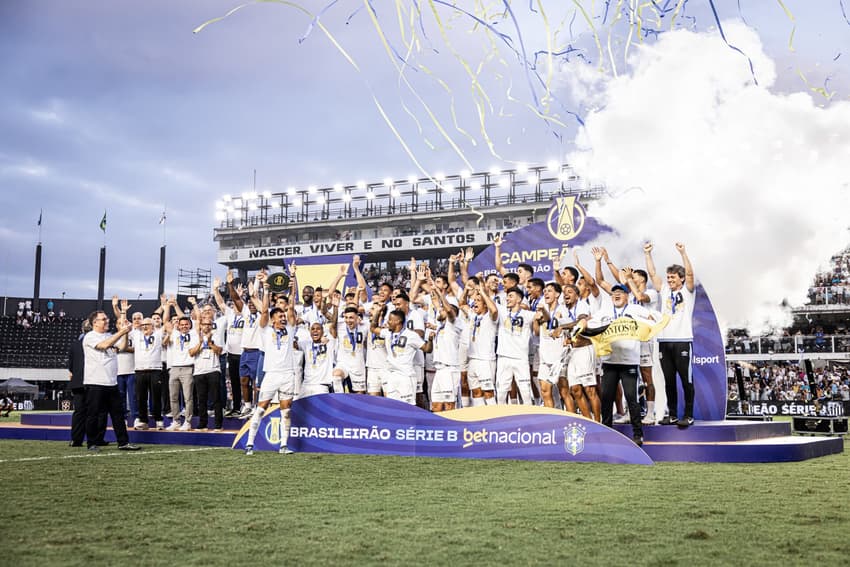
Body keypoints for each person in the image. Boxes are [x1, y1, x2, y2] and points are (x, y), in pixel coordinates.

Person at [245, 271, 298, 455]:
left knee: (286, 411)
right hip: (272, 374)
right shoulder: (265, 330)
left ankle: (283, 445)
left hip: (288, 374)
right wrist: (266, 291)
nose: (283, 318)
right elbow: (265, 311)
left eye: (284, 316)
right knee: (261, 409)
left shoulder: (290, 330)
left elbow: (291, 306)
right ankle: (250, 443)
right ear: (273, 319)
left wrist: (292, 282)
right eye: (280, 316)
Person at [645, 242, 697, 427]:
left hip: (682, 340)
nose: (670, 280)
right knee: (669, 381)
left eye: (673, 277)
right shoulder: (665, 290)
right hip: (664, 341)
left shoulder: (688, 291)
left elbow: (690, 274)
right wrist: (648, 254)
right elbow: (652, 274)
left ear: (681, 278)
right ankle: (673, 414)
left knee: (686, 380)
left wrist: (683, 253)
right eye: (668, 277)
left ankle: (689, 415)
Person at [599, 284, 655, 446]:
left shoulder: (636, 310)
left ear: (627, 296)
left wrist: (640, 327)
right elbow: (591, 323)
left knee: (632, 398)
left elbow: (651, 320)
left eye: (620, 293)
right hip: (609, 361)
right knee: (606, 398)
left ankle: (638, 435)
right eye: (614, 293)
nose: (616, 295)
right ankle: (606, 432)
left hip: (629, 361)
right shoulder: (605, 312)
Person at [83, 311, 141, 451]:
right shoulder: (90, 336)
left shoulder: (109, 336)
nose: (107, 321)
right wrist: (121, 332)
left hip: (111, 382)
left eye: (107, 318)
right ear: (94, 322)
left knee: (118, 415)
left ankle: (123, 442)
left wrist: (126, 332)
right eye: (103, 319)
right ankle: (92, 443)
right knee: (93, 415)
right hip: (95, 382)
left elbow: (121, 347)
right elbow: (103, 345)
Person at [189, 315, 225, 430]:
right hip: (199, 371)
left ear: (212, 325)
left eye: (209, 324)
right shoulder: (195, 337)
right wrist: (200, 343)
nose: (207, 327)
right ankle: (202, 423)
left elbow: (219, 351)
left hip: (213, 369)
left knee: (216, 399)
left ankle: (218, 424)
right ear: (200, 326)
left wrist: (209, 343)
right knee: (201, 399)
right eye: (204, 324)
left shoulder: (217, 335)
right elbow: (191, 353)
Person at [130, 317, 164, 430]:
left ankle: (159, 420)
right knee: (141, 398)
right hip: (140, 370)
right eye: (143, 324)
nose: (144, 326)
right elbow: (123, 325)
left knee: (156, 397)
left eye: (147, 324)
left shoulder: (158, 334)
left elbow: (166, 320)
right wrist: (122, 311)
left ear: (153, 326)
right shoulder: (136, 334)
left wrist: (166, 306)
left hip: (155, 370)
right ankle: (143, 421)